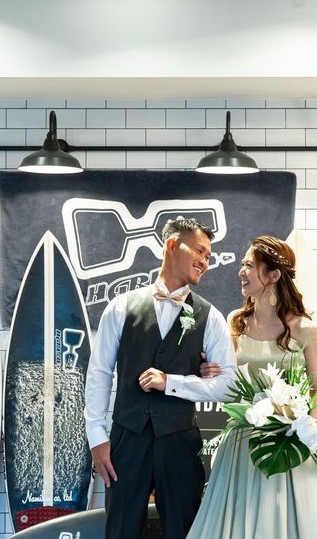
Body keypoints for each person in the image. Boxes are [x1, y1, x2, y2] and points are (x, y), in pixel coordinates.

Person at [191, 235, 317, 539]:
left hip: (294, 437)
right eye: (243, 264)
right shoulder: (236, 321)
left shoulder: (305, 329)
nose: (241, 271)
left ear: (274, 275)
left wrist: (306, 432)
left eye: (249, 265)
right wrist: (213, 371)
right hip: (245, 439)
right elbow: (230, 378)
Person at [84, 217, 237, 539]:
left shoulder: (211, 317)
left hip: (179, 441)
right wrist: (97, 437)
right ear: (171, 245)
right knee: (121, 531)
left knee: (185, 530)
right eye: (199, 251)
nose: (205, 262)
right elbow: (99, 373)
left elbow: (228, 385)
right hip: (126, 439)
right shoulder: (120, 307)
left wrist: (172, 383)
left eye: (209, 256)